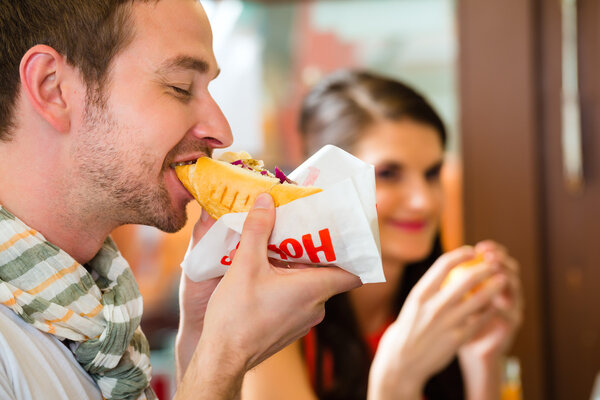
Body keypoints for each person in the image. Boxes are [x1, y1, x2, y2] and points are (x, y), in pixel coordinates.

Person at [0, 1, 362, 399]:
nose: (222, 132)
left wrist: (199, 347)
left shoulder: (99, 312)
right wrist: (222, 361)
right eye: (180, 88)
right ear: (52, 87)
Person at [241, 70, 523, 400]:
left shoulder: (447, 306)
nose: (424, 201)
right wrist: (396, 384)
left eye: (432, 173)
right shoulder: (276, 322)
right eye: (389, 174)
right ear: (324, 186)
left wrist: (483, 359)